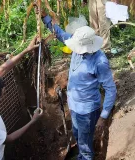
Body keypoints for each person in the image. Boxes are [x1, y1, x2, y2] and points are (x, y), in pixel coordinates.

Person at [41, 11, 117, 159]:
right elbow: (60, 33)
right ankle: (82, 154)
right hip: (74, 106)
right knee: (77, 134)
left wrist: (103, 116)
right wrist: (45, 18)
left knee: (85, 145)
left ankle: (85, 157)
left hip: (87, 111)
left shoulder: (99, 62)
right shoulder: (80, 42)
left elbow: (111, 90)